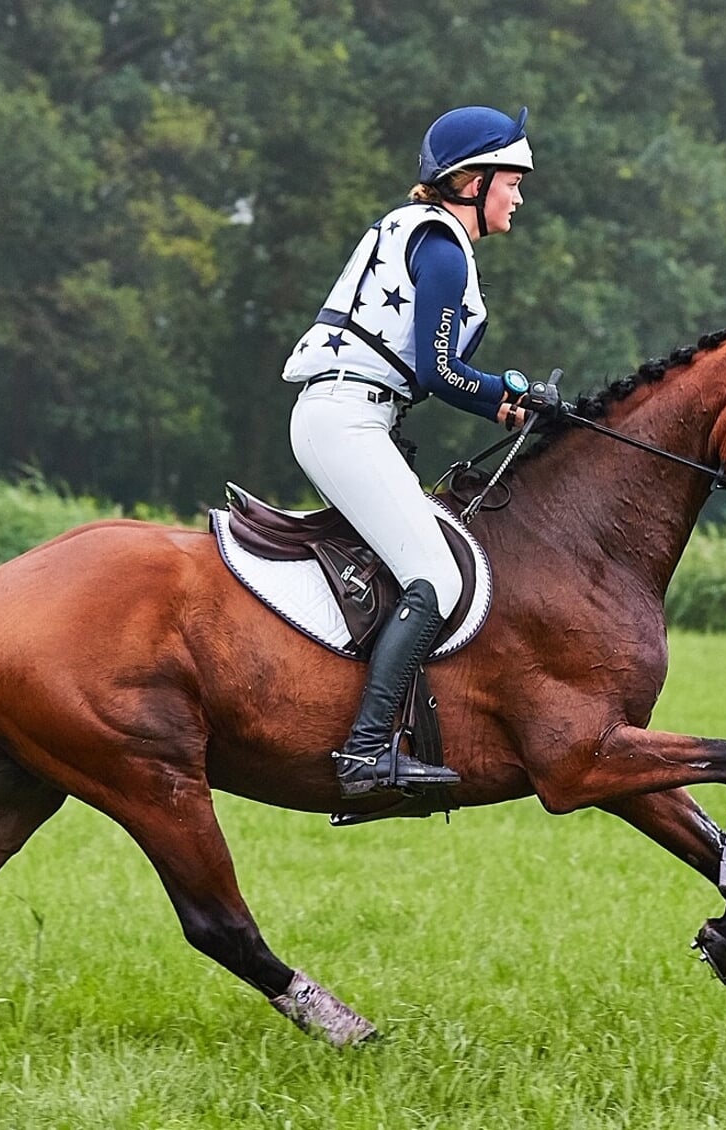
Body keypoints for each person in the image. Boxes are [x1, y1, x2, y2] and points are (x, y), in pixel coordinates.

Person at [281, 105, 560, 797]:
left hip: (352, 416)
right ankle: (366, 753)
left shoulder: (428, 237)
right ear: (472, 180)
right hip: (345, 419)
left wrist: (499, 400)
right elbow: (441, 372)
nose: (519, 196)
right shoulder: (438, 246)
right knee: (435, 575)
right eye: (513, 181)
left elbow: (432, 372)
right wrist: (513, 386)